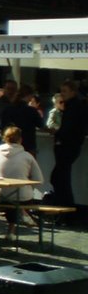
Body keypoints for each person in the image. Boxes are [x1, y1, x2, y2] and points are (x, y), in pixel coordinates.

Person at [0, 126, 44, 240]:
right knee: (18, 198)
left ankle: (20, 217)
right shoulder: (27, 157)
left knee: (7, 199)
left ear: (4, 138)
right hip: (22, 196)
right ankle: (19, 219)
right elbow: (39, 180)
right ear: (20, 140)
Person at [47, 80, 87, 209]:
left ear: (73, 92)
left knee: (59, 177)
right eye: (61, 91)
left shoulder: (73, 107)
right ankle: (65, 206)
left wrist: (58, 133)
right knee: (61, 177)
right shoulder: (72, 106)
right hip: (69, 145)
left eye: (64, 91)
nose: (62, 94)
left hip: (67, 145)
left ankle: (65, 206)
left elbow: (69, 128)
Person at [0, 84, 41, 157]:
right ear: (30, 96)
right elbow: (40, 124)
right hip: (28, 146)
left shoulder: (7, 109)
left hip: (10, 145)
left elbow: (2, 126)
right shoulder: (31, 111)